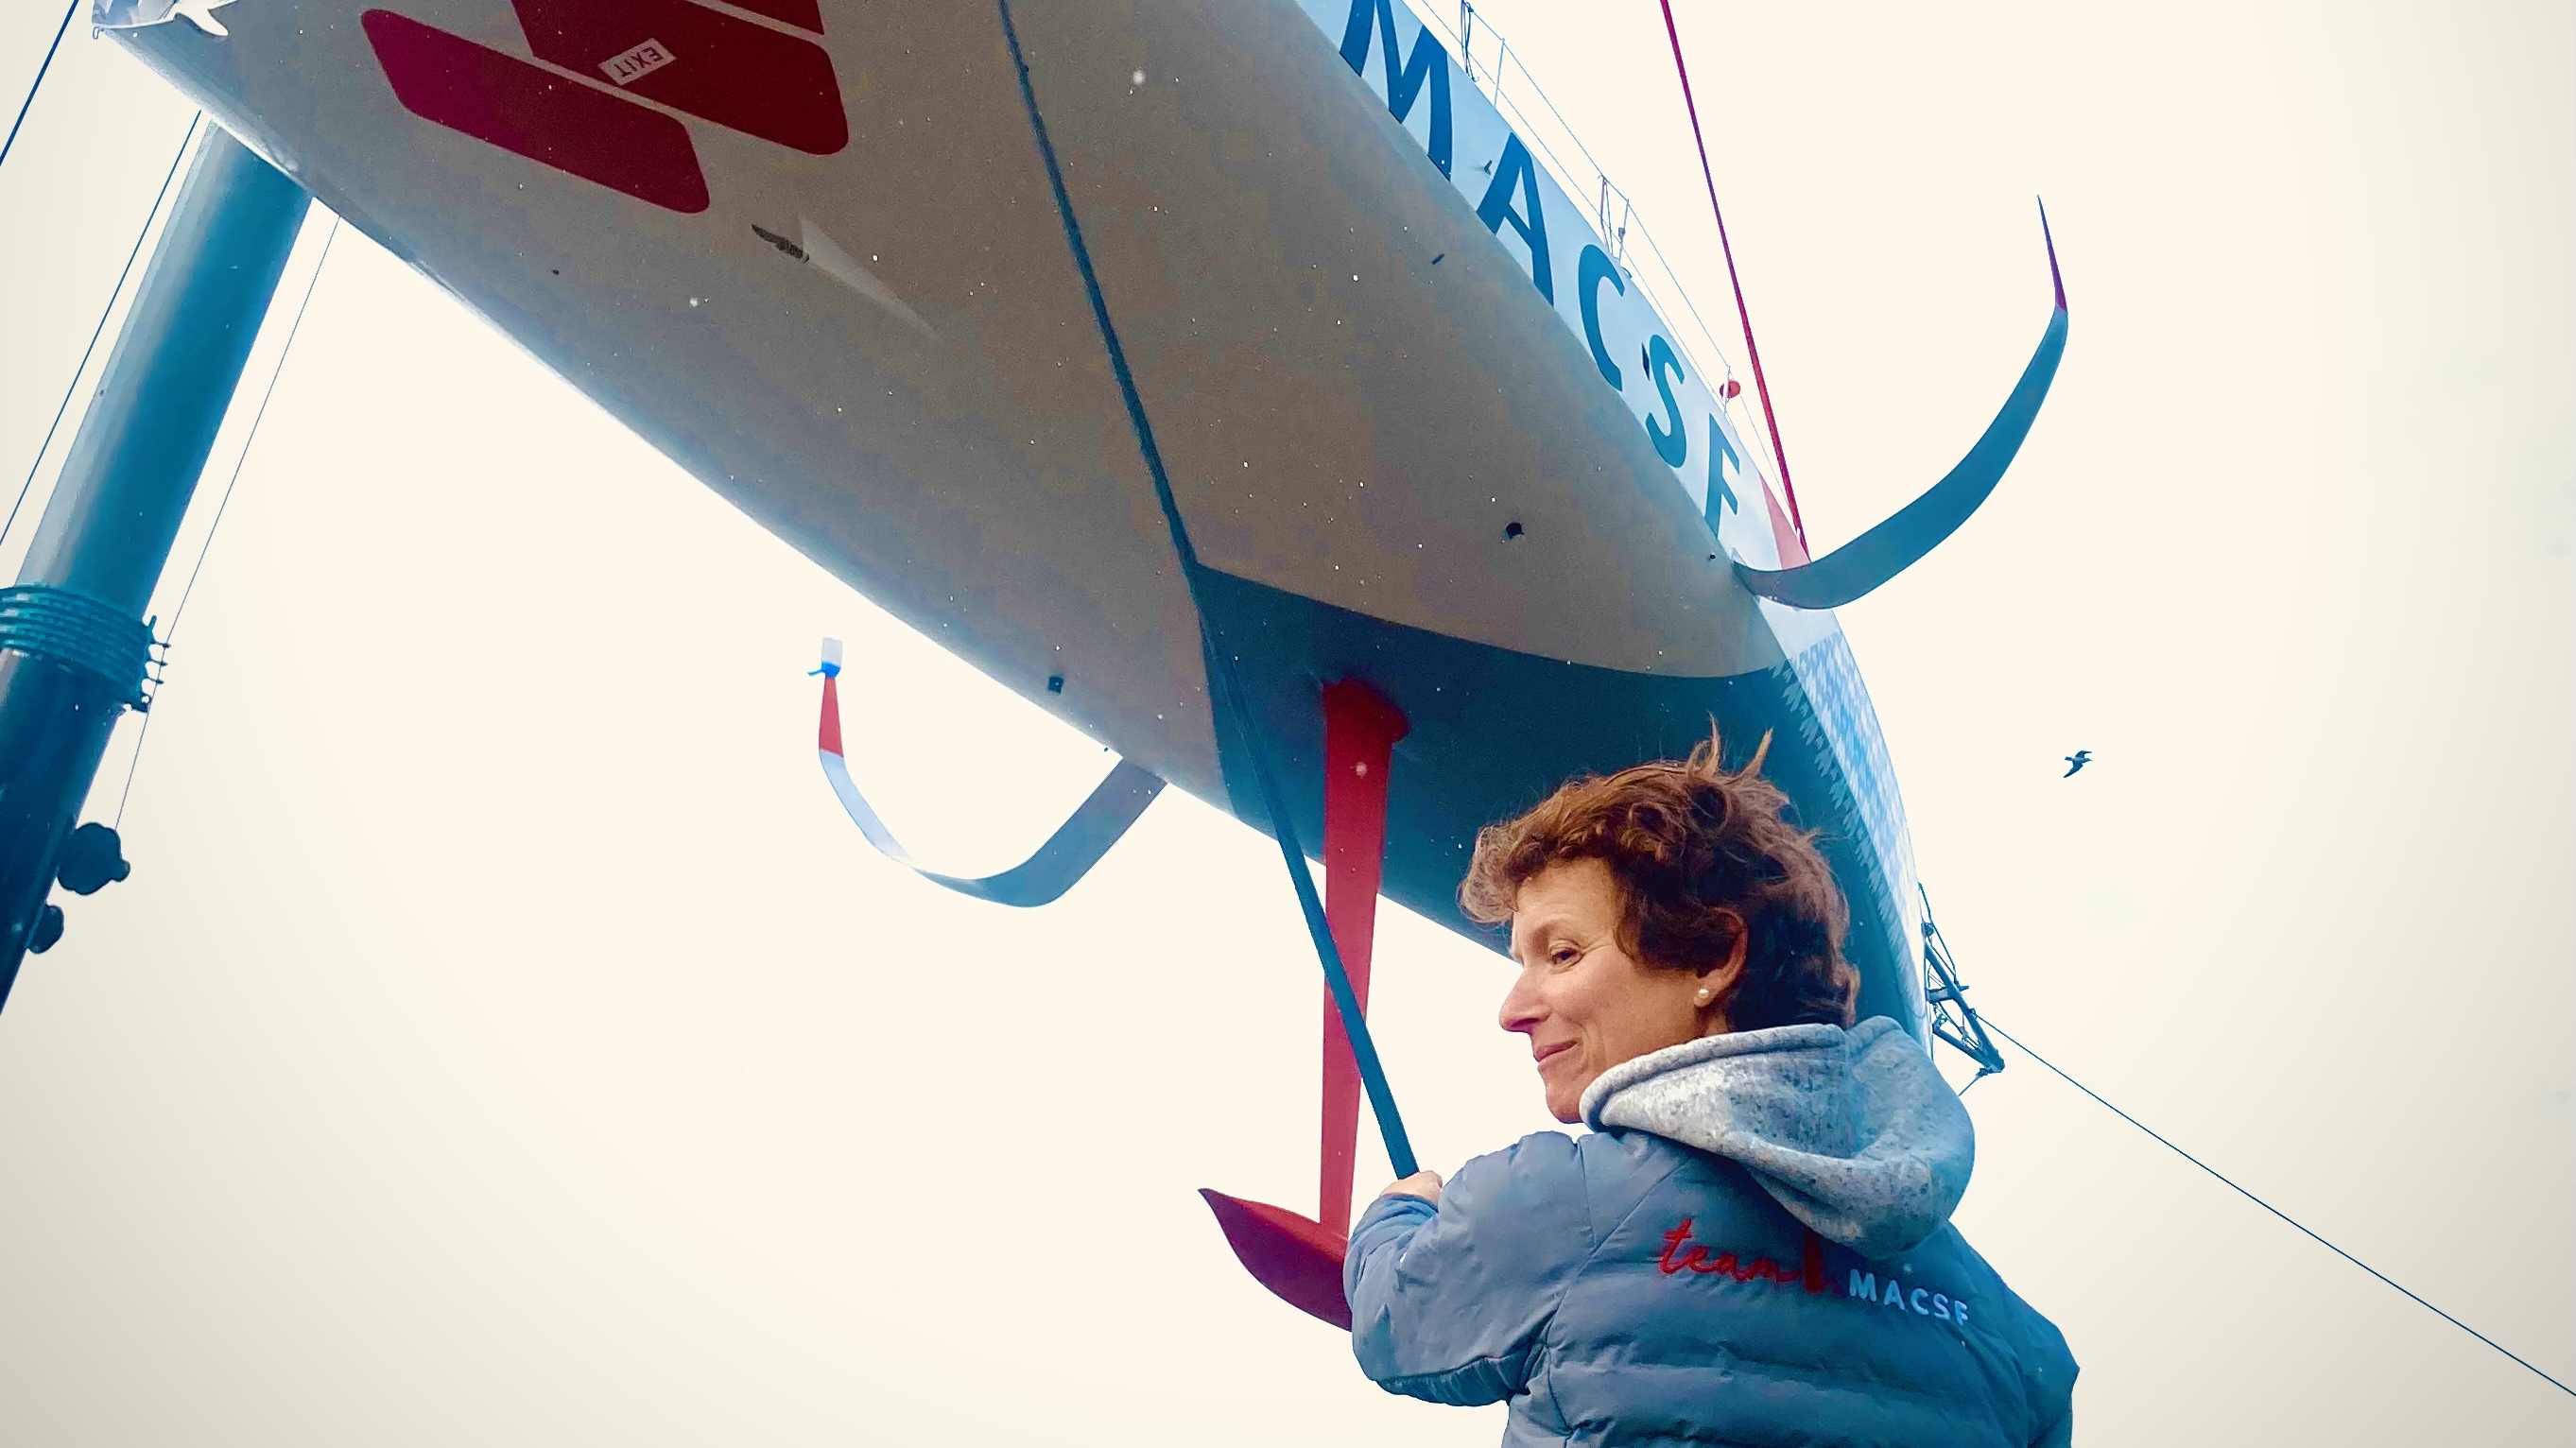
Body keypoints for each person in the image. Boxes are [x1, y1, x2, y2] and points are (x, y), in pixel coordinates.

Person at [1343, 733, 2076, 1446]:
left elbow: (1393, 1318)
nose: (1511, 1010)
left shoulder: (1550, 1208)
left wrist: (1398, 1212)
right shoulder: (2023, 1352)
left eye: (1560, 953)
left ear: (1712, 957)